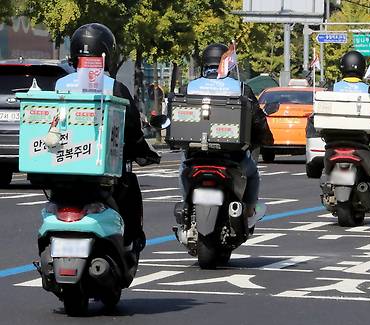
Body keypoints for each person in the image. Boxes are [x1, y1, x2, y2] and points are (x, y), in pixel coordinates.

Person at [55, 23, 161, 251]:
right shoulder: (115, 87)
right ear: (106, 54)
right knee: (130, 186)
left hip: (63, 166)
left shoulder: (60, 84)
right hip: (103, 172)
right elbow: (132, 129)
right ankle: (130, 242)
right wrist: (143, 152)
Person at [178, 43, 273, 229]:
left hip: (195, 154)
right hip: (232, 155)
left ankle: (185, 205)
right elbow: (257, 119)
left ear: (204, 63)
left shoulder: (188, 87)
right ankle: (249, 212)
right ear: (228, 63)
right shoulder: (240, 88)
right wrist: (265, 138)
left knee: (182, 169)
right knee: (252, 174)